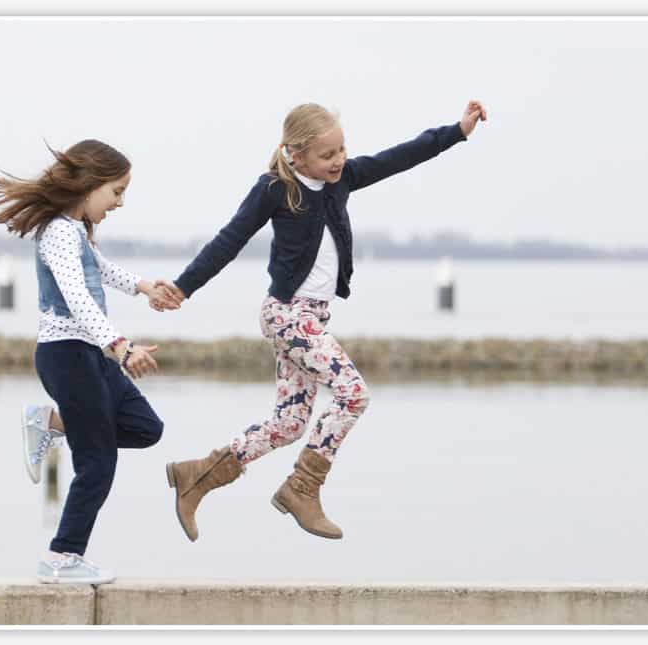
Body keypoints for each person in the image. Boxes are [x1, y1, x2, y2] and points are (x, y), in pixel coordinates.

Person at [158, 101, 487, 541]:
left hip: (312, 319)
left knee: (290, 424)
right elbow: (230, 239)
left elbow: (399, 157)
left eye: (341, 151)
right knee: (353, 395)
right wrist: (184, 286)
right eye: (327, 155)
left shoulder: (343, 179)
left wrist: (457, 131)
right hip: (287, 316)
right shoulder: (276, 188)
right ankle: (302, 488)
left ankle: (197, 476)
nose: (338, 161)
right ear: (296, 154)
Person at [0, 139, 182, 583]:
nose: (119, 202)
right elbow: (76, 297)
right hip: (67, 356)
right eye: (116, 191)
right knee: (97, 460)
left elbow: (101, 270)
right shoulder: (56, 232)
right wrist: (121, 345)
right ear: (90, 185)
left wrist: (146, 286)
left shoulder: (73, 231)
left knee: (146, 428)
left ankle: (50, 422)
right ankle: (61, 557)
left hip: (90, 355)